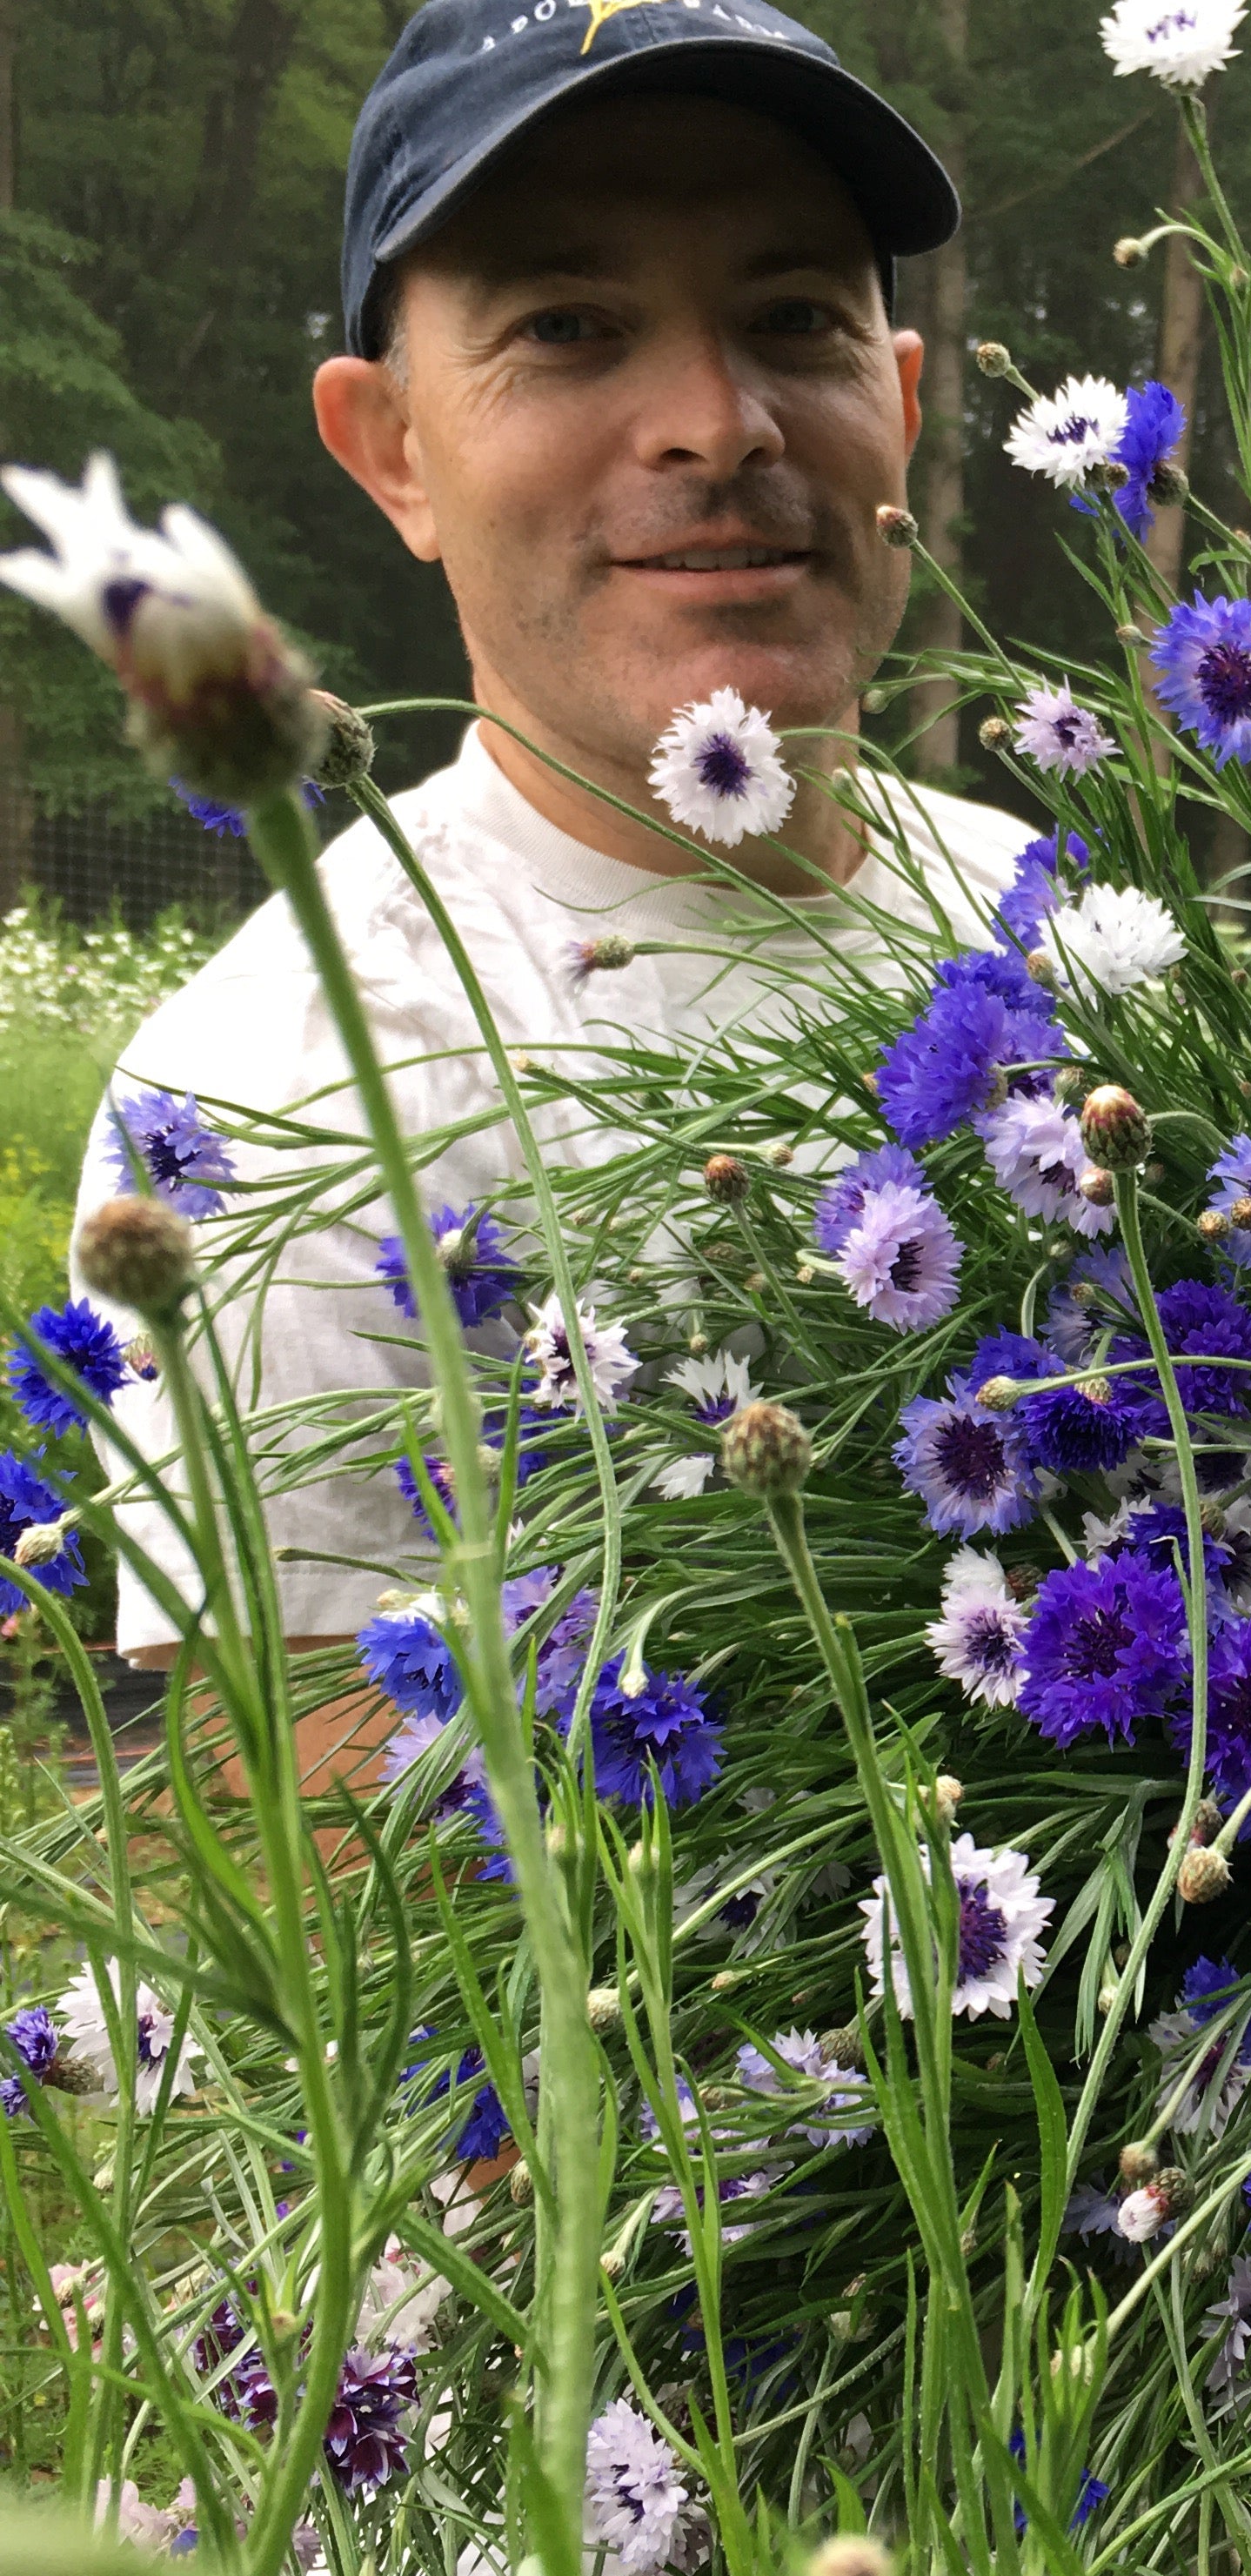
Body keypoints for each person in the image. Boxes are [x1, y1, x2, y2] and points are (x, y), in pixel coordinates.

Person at [63, 0, 1027, 1711]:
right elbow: (315, 1860)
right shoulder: (277, 1100)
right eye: (570, 327)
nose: (718, 425)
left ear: (900, 404)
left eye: (791, 317)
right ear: (392, 451)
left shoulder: (1070, 932)